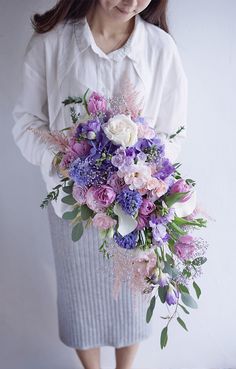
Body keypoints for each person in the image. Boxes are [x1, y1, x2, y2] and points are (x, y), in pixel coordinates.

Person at [11, 1, 188, 368]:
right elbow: (26, 122)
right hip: (72, 205)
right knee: (81, 302)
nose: (132, 1)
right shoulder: (51, 44)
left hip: (137, 209)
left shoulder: (159, 48)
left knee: (133, 301)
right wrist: (63, 161)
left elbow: (172, 129)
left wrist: (144, 172)